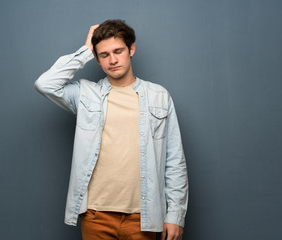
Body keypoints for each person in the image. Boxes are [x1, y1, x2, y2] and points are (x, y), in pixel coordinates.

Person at [34, 19, 188, 240]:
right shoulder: (86, 94)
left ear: (131, 49)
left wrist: (175, 215)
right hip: (97, 216)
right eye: (104, 55)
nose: (113, 60)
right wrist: (86, 50)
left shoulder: (159, 96)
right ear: (97, 59)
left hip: (143, 217)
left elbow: (174, 161)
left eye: (118, 51)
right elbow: (44, 84)